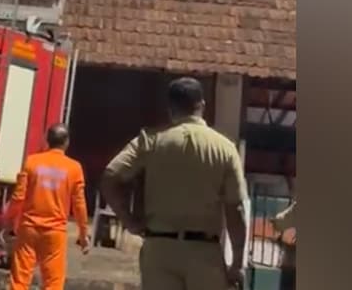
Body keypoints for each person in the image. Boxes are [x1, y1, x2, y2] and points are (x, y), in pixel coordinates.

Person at [100, 77, 249, 290]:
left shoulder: (151, 140)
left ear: (170, 108)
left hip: (159, 250)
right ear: (202, 105)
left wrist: (129, 219)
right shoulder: (225, 148)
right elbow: (236, 208)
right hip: (205, 252)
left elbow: (110, 176)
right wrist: (237, 263)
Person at [3, 124, 90, 290]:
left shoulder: (32, 161)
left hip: (28, 229)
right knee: (53, 283)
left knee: (20, 280)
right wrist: (83, 234)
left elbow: (18, 196)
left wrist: (8, 222)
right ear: (67, 142)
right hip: (55, 233)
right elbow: (79, 204)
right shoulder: (74, 168)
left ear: (47, 140)